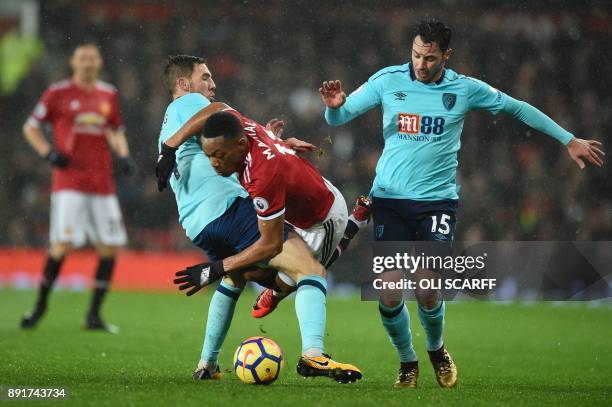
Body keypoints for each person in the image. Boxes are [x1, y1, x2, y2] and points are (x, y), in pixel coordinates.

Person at [319, 18, 604, 389]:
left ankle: (436, 350)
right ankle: (407, 361)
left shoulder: (465, 89)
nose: (421, 64)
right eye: (417, 55)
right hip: (389, 199)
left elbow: (518, 108)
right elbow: (339, 116)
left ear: (446, 56)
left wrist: (567, 140)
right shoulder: (388, 79)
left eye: (430, 58)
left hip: (437, 203)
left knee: (427, 289)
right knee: (389, 291)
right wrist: (333, 107)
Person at [158, 56, 364, 382]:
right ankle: (313, 354)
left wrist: (273, 143)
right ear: (184, 84)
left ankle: (207, 364)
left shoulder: (175, 121)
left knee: (238, 277)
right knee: (309, 271)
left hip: (199, 225)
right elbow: (218, 111)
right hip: (233, 208)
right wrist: (169, 149)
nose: (212, 85)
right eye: (205, 77)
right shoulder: (193, 105)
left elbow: (239, 136)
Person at [21, 43, 135, 333]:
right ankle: (39, 307)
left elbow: (114, 129)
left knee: (109, 247)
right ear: (73, 62)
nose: (87, 62)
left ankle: (94, 315)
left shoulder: (108, 94)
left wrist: (122, 155)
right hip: (69, 183)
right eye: (82, 58)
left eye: (92, 58)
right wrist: (48, 153)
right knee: (63, 245)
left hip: (102, 184)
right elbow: (31, 127)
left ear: (99, 63)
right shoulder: (58, 93)